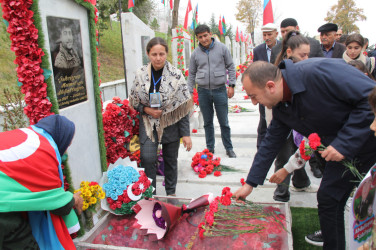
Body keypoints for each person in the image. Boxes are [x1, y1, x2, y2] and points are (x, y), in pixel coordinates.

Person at [234, 59, 376, 249]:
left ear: (270, 86)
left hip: (366, 137)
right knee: (329, 198)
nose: (253, 102)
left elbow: (370, 97)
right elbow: (270, 143)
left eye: (253, 96)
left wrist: (344, 143)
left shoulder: (318, 72)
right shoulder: (281, 105)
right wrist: (250, 183)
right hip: (341, 151)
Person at [0, 114, 83, 250]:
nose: (66, 149)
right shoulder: (44, 150)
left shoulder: (30, 136)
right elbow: (58, 205)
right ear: (61, 138)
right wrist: (73, 200)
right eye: (68, 144)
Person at [129, 37, 193, 196]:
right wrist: (147, 110)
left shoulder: (176, 76)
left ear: (166, 54)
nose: (158, 58)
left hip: (171, 123)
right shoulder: (140, 74)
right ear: (148, 54)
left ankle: (171, 194)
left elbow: (183, 107)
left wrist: (185, 134)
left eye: (162, 54)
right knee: (147, 158)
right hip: (148, 123)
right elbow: (133, 100)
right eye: (154, 54)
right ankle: (151, 195)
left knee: (171, 161)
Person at [269, 31, 319, 203]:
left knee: (300, 147)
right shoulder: (281, 72)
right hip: (285, 118)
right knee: (284, 152)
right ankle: (282, 192)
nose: (306, 59)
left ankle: (301, 181)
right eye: (302, 55)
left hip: (303, 119)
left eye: (308, 55)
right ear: (289, 51)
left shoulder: (308, 71)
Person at [188, 24, 236, 158]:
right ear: (197, 38)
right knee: (207, 122)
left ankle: (229, 148)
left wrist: (231, 85)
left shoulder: (222, 48)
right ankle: (210, 148)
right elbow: (191, 73)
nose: (203, 39)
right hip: (203, 91)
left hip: (220, 90)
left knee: (224, 122)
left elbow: (231, 66)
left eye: (205, 35)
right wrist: (190, 91)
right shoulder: (195, 53)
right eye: (200, 37)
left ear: (210, 34)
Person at [253, 23, 279, 150]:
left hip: (279, 91)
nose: (267, 37)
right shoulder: (258, 50)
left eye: (269, 34)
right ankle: (261, 147)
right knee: (263, 120)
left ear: (276, 34)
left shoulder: (283, 48)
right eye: (264, 35)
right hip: (263, 92)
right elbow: (254, 71)